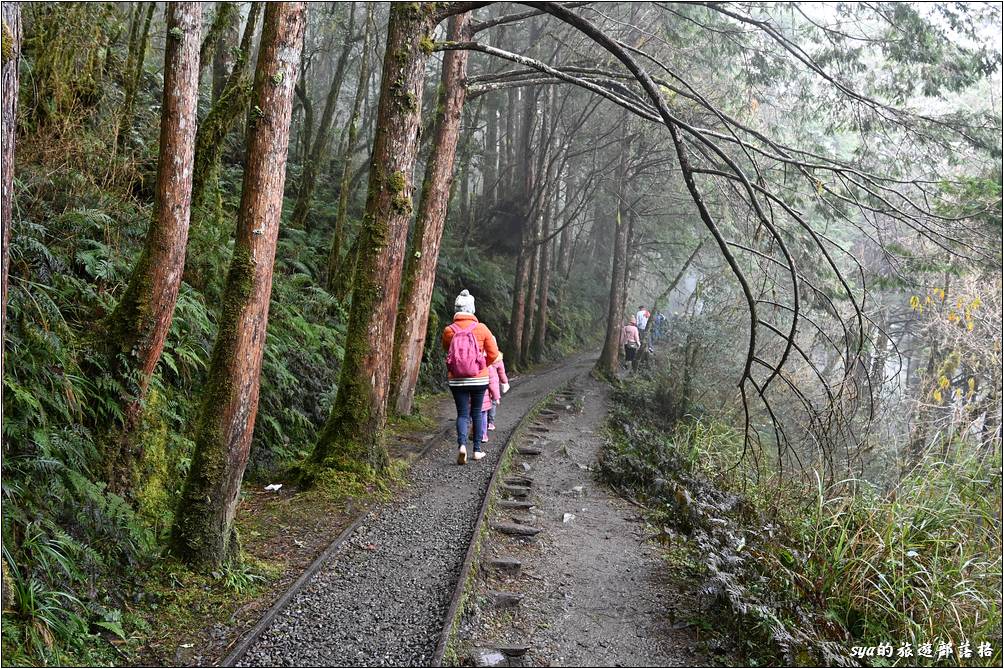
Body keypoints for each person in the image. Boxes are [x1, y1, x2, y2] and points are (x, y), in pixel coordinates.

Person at [442, 289, 499, 465]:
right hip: (479, 378)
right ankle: (477, 450)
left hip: (456, 379)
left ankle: (461, 446)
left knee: (462, 414)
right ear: (472, 308)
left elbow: (447, 351)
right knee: (477, 413)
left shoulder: (449, 330)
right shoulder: (481, 328)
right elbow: (494, 353)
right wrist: (483, 365)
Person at [486, 342, 509, 432]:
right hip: (494, 384)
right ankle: (491, 422)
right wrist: (505, 382)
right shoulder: (498, 357)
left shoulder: (482, 355)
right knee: (493, 403)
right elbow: (501, 373)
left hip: (482, 382)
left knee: (481, 402)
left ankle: (481, 422)